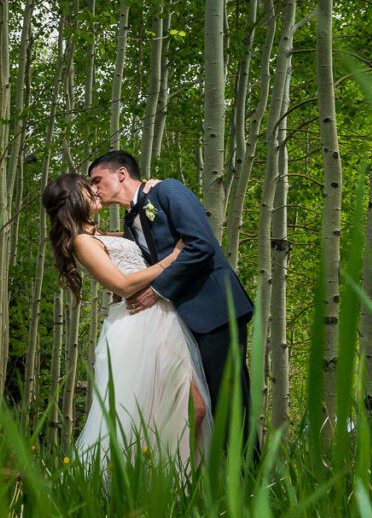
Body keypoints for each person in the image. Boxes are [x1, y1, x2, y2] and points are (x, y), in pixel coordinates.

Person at [87, 150, 256, 456]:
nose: (94, 188)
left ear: (121, 174)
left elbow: (201, 244)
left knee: (230, 402)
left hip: (216, 310)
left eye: (98, 180)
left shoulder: (167, 191)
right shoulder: (130, 221)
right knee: (209, 407)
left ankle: (256, 485)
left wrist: (158, 291)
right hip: (184, 323)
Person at [44, 172, 211, 470]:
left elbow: (146, 238)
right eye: (87, 187)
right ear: (73, 199)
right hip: (137, 326)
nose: (94, 190)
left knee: (183, 408)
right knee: (165, 411)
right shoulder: (82, 242)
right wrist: (172, 259)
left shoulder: (100, 236)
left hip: (162, 319)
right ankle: (160, 484)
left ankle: (174, 486)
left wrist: (152, 190)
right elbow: (121, 285)